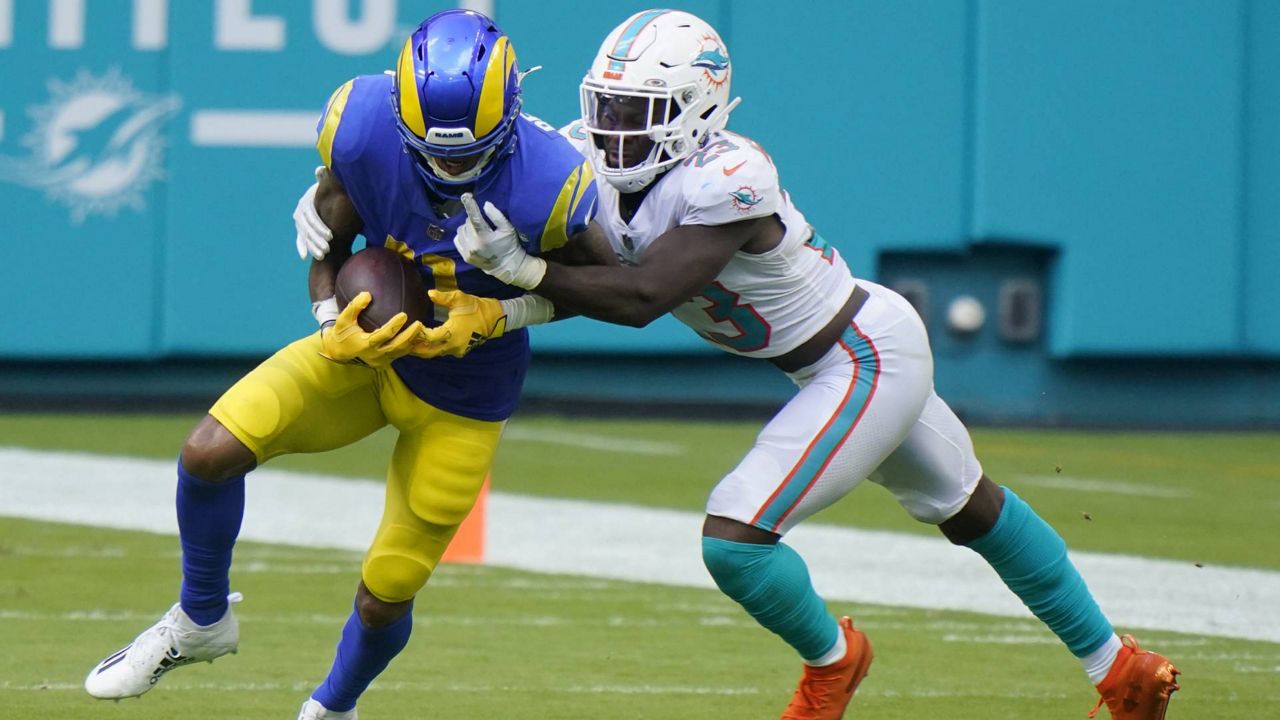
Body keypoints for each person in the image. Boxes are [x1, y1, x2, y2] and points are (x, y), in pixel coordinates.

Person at [430, 9, 1182, 720]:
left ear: (699, 111)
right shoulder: (579, 159)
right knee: (970, 507)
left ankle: (833, 661)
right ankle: (1122, 670)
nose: (614, 132)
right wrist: (481, 289)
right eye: (608, 107)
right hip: (835, 359)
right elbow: (585, 276)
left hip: (860, 356)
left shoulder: (731, 176)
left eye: (639, 114)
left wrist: (527, 277)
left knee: (736, 538)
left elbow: (640, 296)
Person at [84, 10, 608, 719]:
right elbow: (331, 246)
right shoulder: (361, 127)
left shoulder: (551, 181)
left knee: (386, 588)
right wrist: (331, 318)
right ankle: (201, 621)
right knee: (208, 453)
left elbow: (608, 292)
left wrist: (506, 305)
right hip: (364, 360)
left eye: (469, 154)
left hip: (466, 391)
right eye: (434, 152)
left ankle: (333, 707)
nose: (450, 168)